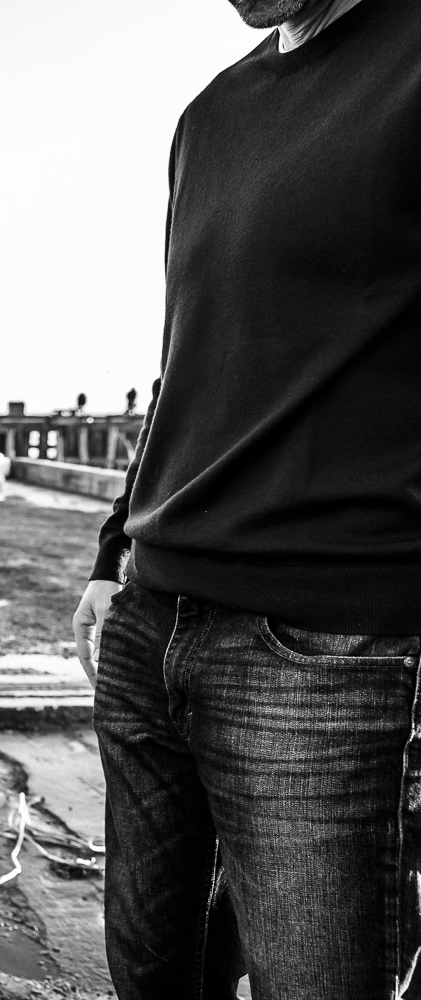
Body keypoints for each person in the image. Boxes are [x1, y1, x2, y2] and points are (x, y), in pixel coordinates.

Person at [70, 0, 421, 996]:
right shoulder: (207, 118)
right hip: (150, 629)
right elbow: (190, 361)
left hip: (327, 657)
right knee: (150, 976)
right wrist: (113, 556)